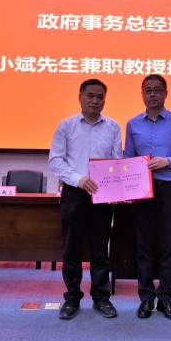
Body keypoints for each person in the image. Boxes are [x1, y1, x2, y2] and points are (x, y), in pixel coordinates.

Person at [48, 79, 122, 320]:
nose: (95, 101)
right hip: (74, 193)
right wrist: (78, 179)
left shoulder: (113, 126)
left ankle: (101, 298)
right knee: (72, 250)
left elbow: (116, 162)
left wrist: (118, 190)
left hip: (102, 195)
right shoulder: (66, 126)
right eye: (90, 95)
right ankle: (71, 298)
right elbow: (55, 160)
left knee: (101, 250)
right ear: (80, 97)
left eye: (100, 96)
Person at [124, 74, 171, 321]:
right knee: (143, 246)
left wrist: (168, 161)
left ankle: (165, 298)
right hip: (142, 191)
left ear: (165, 93)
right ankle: (146, 298)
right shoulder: (133, 124)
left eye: (157, 90)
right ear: (142, 94)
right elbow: (128, 159)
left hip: (169, 188)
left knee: (168, 245)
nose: (152, 94)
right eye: (148, 90)